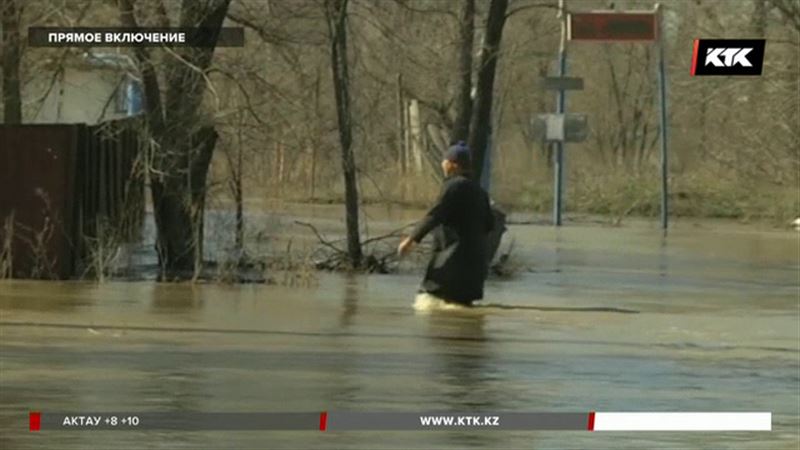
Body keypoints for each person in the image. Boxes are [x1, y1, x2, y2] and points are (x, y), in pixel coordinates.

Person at [398, 141, 494, 306]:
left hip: (450, 265)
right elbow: (489, 225)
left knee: (430, 304)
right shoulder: (481, 192)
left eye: (445, 161)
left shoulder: (454, 186)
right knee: (463, 313)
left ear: (453, 164)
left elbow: (435, 215)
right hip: (474, 270)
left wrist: (411, 239)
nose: (442, 164)